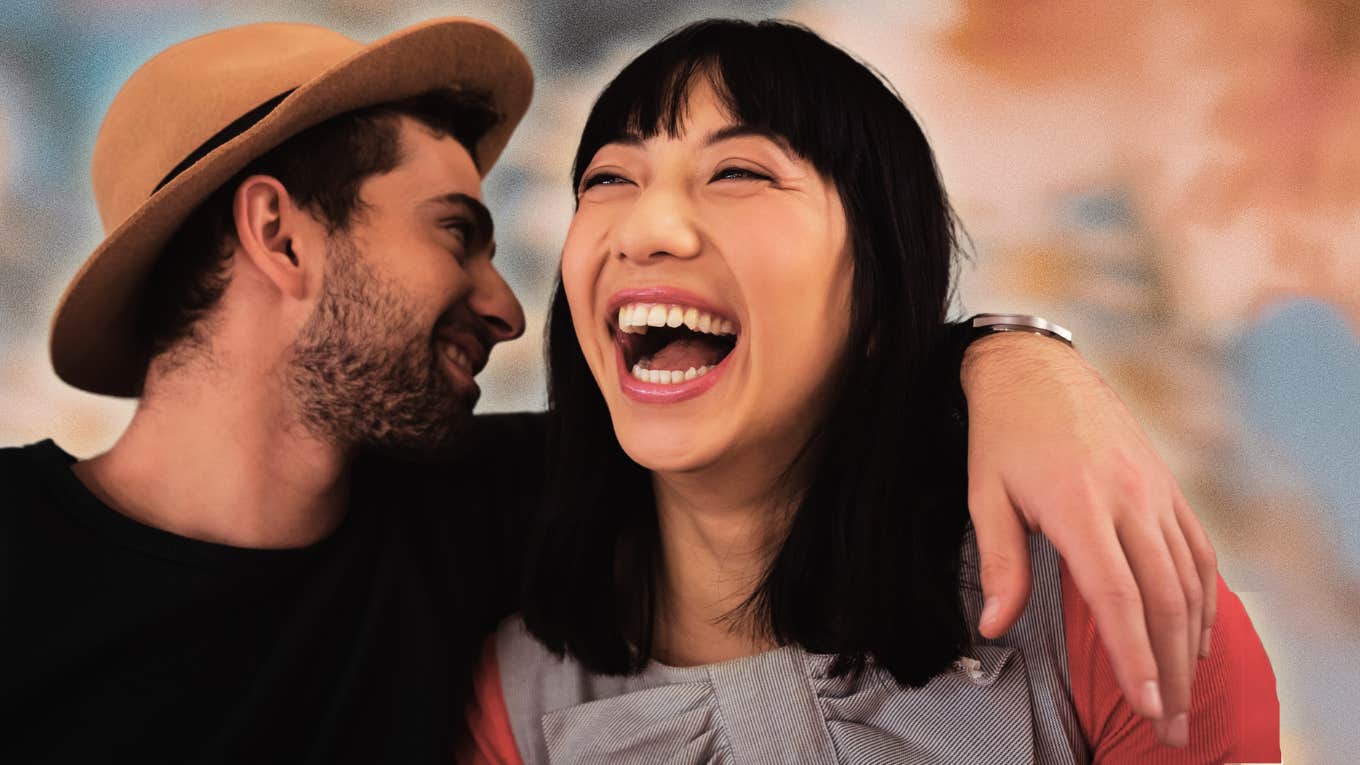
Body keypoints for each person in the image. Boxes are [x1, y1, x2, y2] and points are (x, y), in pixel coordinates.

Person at [1, 16, 1225, 764]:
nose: (507, 304)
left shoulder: (488, 509)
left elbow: (797, 411)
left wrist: (1016, 352)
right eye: (454, 232)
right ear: (280, 236)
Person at [463, 19, 1280, 764]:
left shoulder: (1111, 612)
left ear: (880, 284)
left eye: (738, 170)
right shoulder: (510, 690)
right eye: (609, 179)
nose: (646, 229)